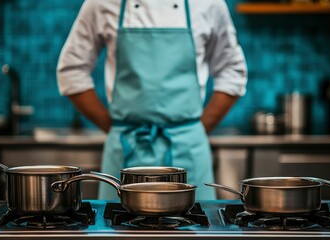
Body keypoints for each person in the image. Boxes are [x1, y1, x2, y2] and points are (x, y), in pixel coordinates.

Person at [57, 0, 247, 200]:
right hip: (126, 149)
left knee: (196, 227)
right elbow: (72, 71)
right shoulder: (100, 3)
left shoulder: (209, 4)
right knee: (118, 227)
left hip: (189, 152)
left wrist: (194, 130)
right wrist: (115, 128)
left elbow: (232, 71)